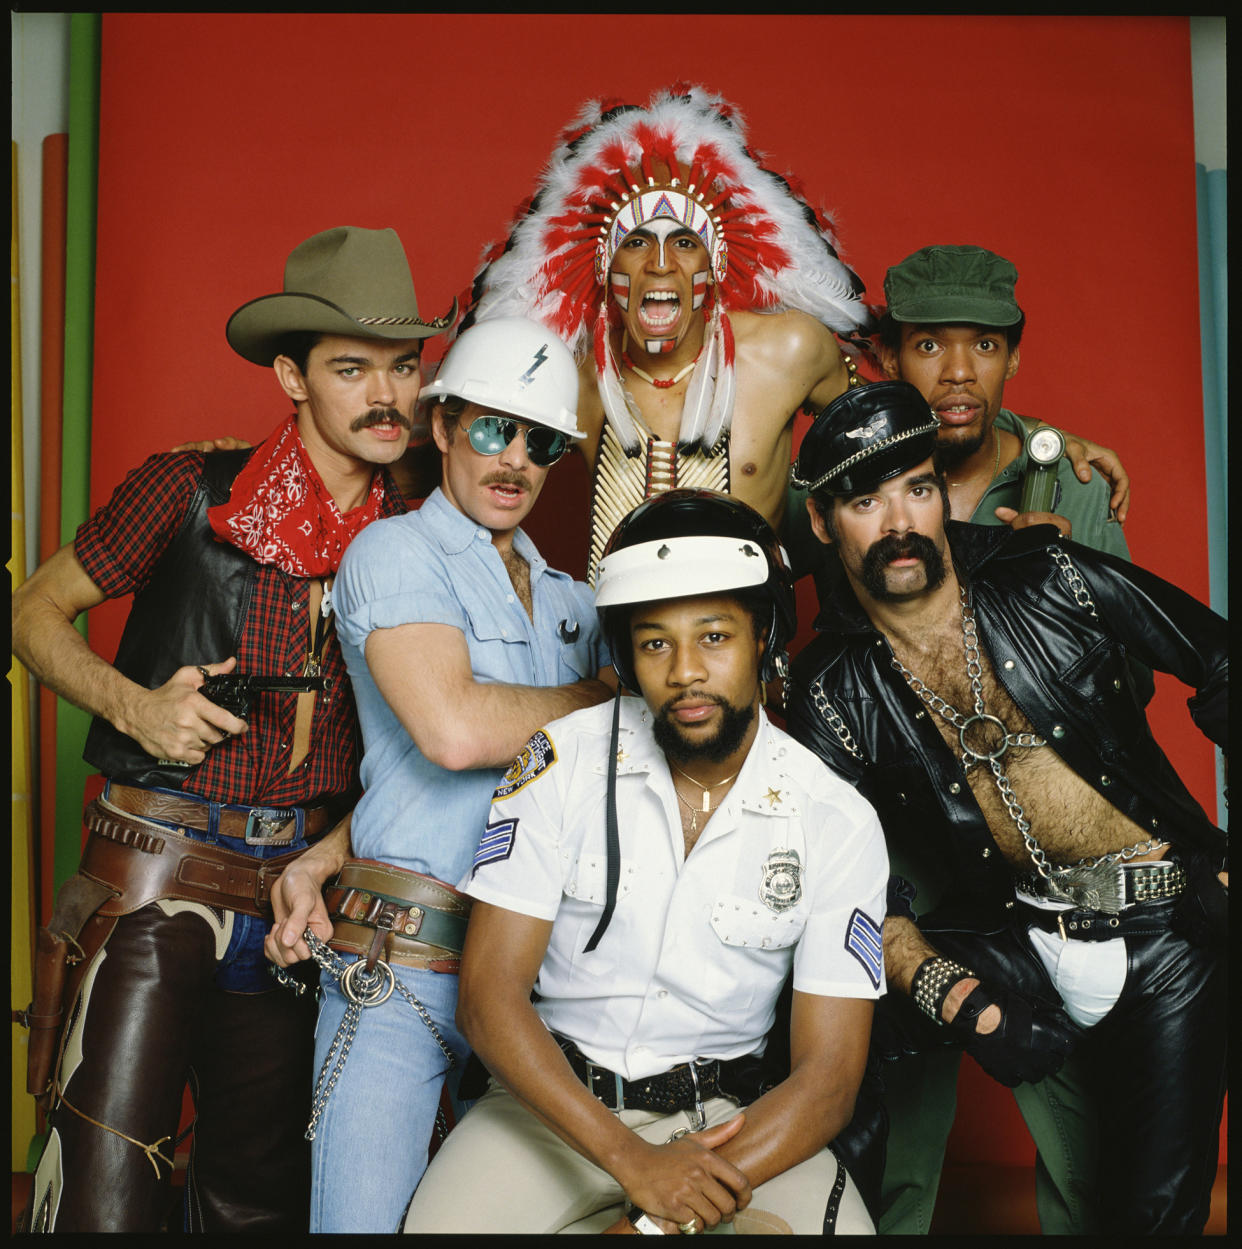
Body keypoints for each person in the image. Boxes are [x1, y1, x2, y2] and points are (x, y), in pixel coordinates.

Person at [10, 225, 454, 1232]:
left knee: (261, 1200)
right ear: (292, 376)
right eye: (353, 369)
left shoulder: (426, 529)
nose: (387, 397)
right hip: (159, 867)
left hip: (307, 892)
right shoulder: (190, 489)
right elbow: (31, 608)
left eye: (402, 367)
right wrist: (133, 704)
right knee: (102, 1185)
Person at [784, 380, 1228, 1236]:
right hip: (1023, 929)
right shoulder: (834, 688)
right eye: (866, 500)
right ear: (821, 521)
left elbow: (1220, 661)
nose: (901, 521)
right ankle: (838, 1223)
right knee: (833, 1000)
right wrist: (959, 998)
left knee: (1150, 1215)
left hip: (1168, 929)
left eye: (917, 488)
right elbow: (836, 891)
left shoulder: (1051, 578)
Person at [403, 489, 889, 1236]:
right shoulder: (561, 760)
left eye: (715, 636)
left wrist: (661, 1218)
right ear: (628, 654)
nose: (686, 670)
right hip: (550, 1107)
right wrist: (637, 1166)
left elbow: (829, 1079)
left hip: (732, 1124)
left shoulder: (837, 819)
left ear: (763, 636)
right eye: (656, 642)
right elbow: (487, 999)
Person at [262, 315, 613, 1233]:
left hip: (543, 976)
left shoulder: (578, 603)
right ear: (445, 424)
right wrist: (615, 701)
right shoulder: (395, 553)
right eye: (494, 427)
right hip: (405, 960)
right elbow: (452, 731)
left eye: (540, 441)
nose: (515, 460)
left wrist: (330, 845)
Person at [464, 84, 874, 581]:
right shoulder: (571, 372)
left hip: (748, 643)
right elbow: (464, 450)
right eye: (636, 243)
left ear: (716, 263)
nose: (660, 265)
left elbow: (881, 457)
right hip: (613, 651)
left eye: (684, 242)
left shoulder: (791, 349)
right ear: (605, 266)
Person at [873, 243, 1131, 548]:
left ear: (1012, 359)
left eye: (984, 346)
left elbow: (1115, 597)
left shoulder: (1077, 485)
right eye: (929, 345)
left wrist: (1058, 576)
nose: (958, 372)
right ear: (890, 359)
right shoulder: (845, 477)